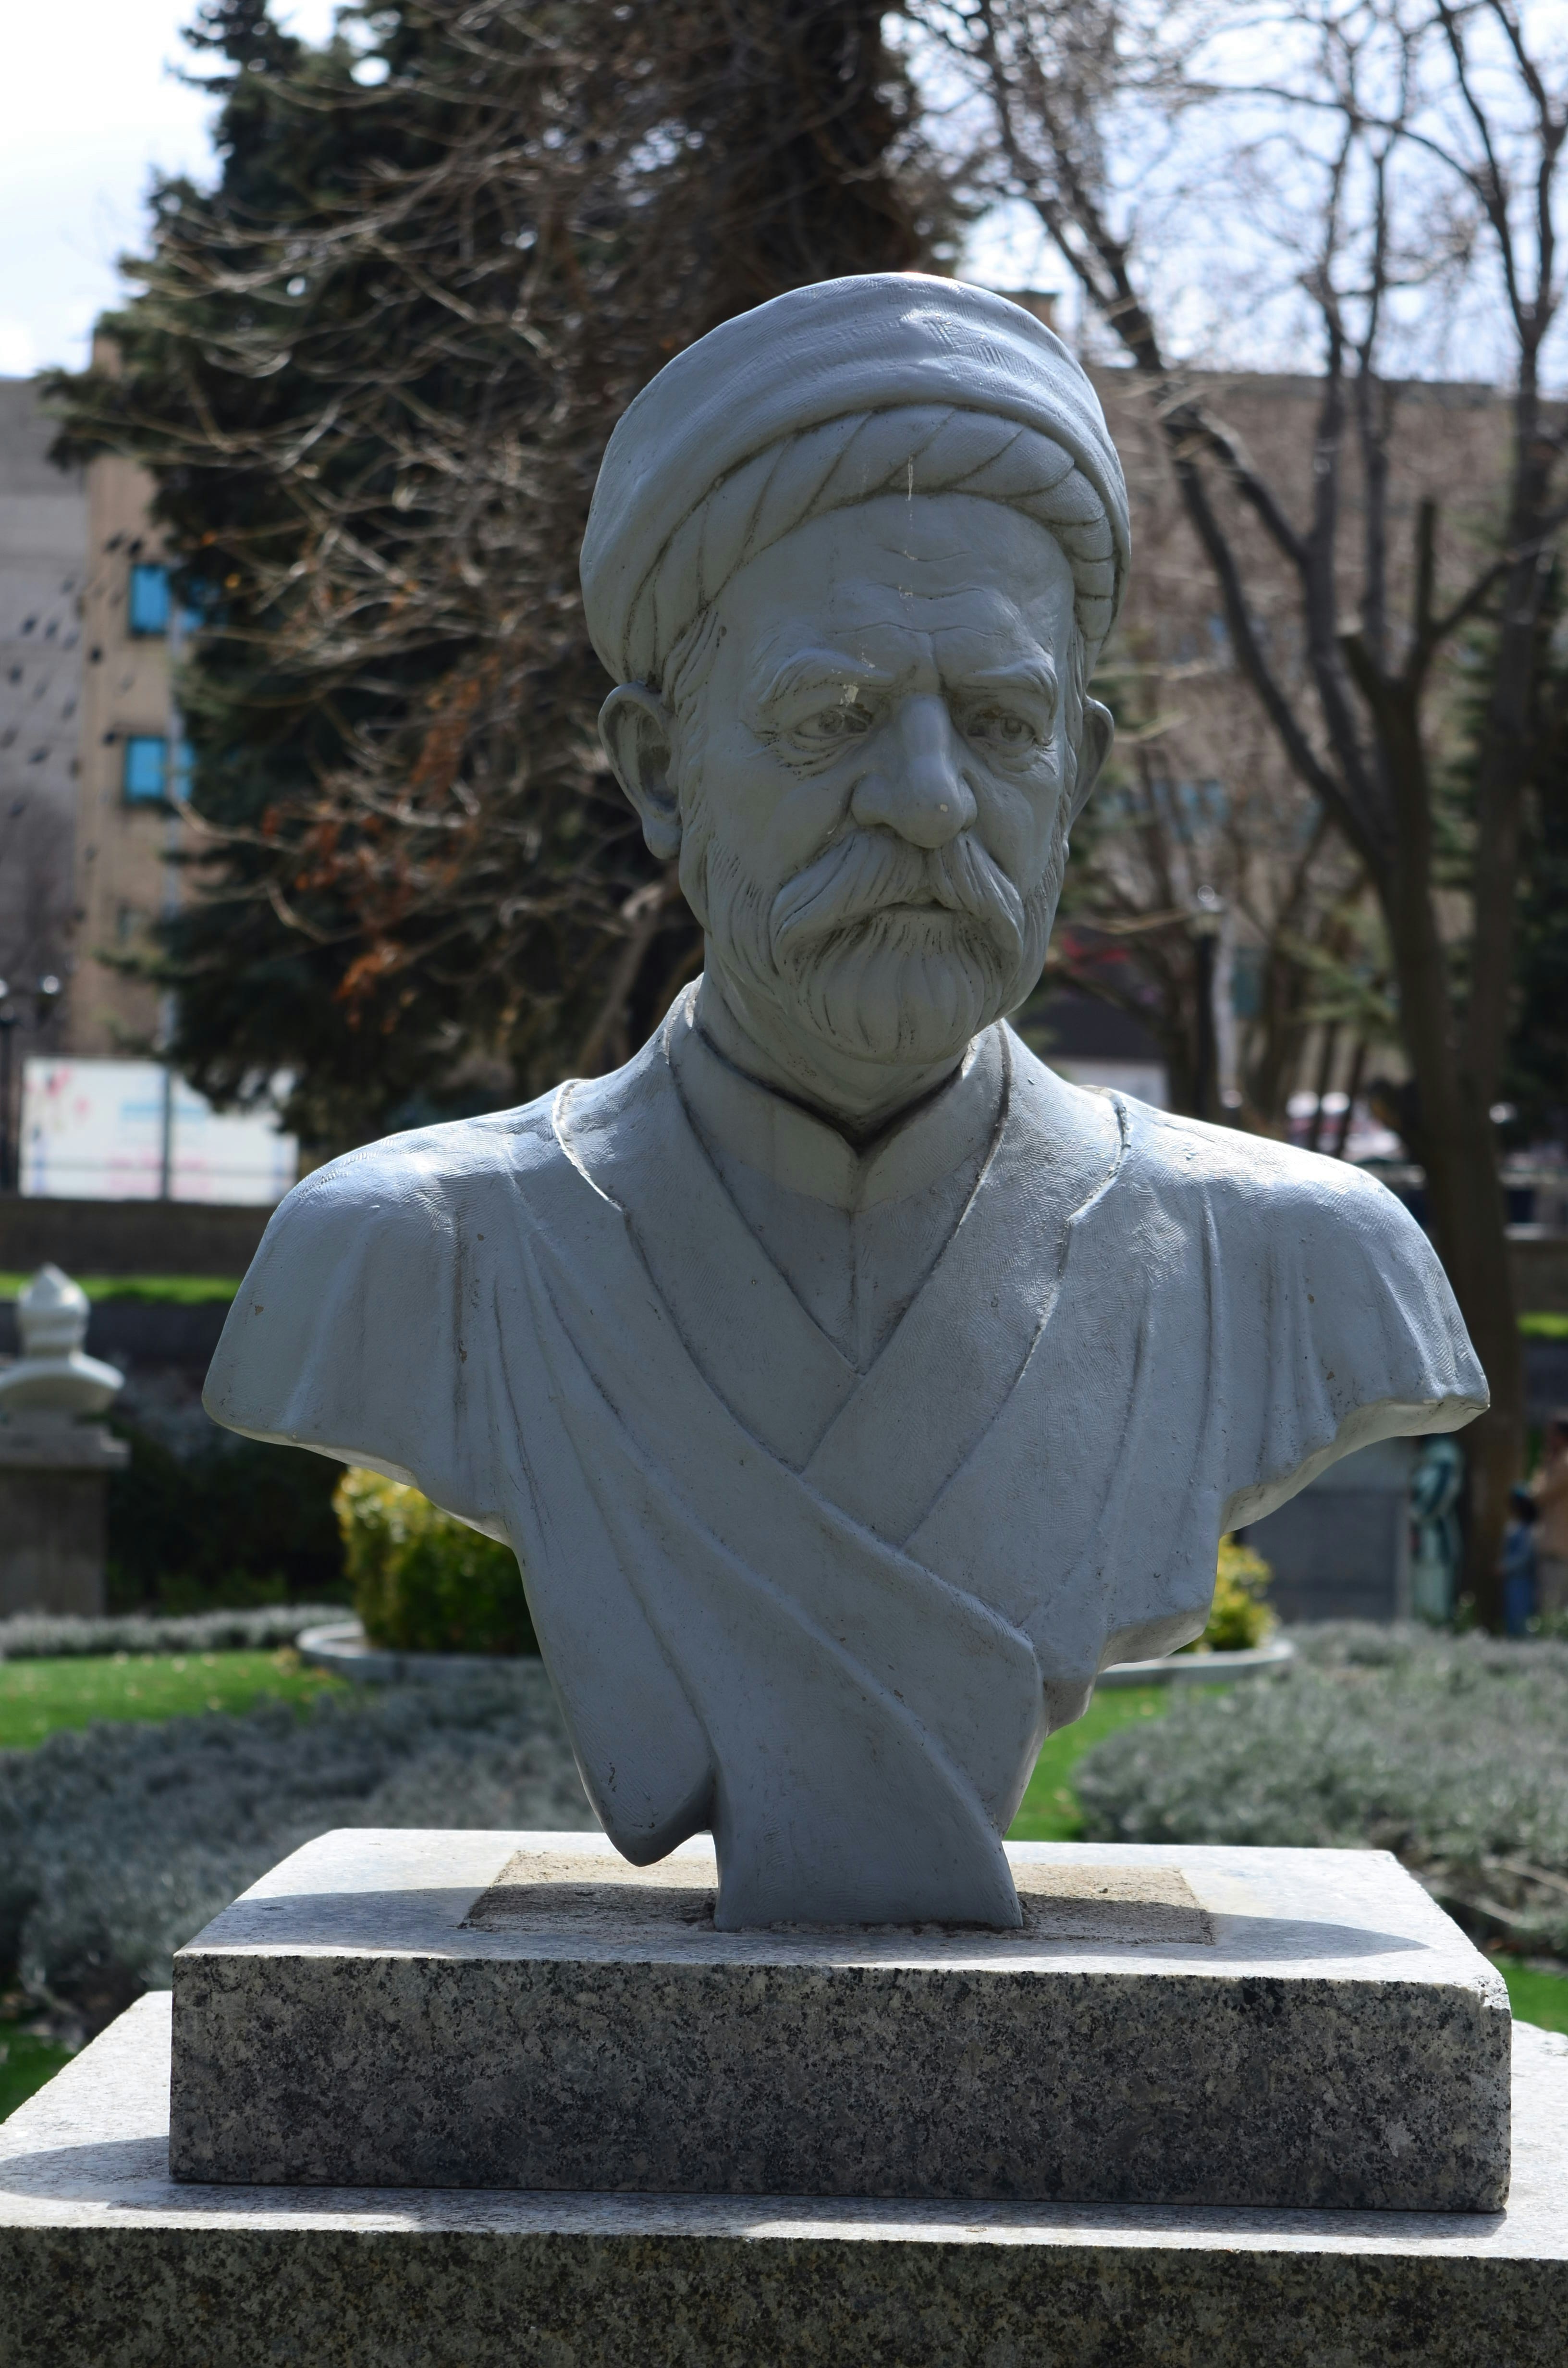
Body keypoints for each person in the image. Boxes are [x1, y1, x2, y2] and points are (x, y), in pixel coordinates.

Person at [203, 277, 1487, 1928]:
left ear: (1079, 772)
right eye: (832, 717)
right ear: (658, 771)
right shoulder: (410, 1254)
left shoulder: (1300, 1265)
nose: (930, 798)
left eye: (1003, 722)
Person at [1533, 1412, 1568, 1621]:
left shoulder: (1562, 1464)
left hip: (1558, 1548)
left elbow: (1538, 1494)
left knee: (1551, 1611)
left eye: (1552, 1434)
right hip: (1558, 1548)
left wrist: (1544, 1464)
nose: (1548, 1439)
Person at [1501, 1485, 1539, 1638]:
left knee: (1521, 1618)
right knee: (1510, 1617)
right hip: (1511, 1579)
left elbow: (1525, 1556)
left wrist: (1505, 1566)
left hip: (1523, 1579)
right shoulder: (1515, 1525)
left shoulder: (1528, 1529)